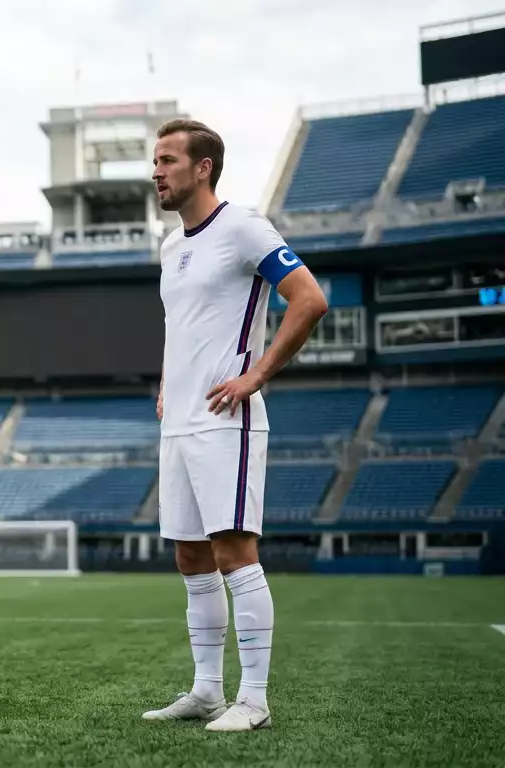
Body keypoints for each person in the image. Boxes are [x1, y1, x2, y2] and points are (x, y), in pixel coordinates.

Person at [144, 119, 328, 732]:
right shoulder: (172, 246)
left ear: (203, 168)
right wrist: (170, 382)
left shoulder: (244, 227)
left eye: (168, 160)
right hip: (180, 424)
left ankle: (253, 699)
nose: (157, 171)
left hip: (228, 421)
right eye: (156, 160)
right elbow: (187, 326)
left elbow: (309, 299)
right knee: (190, 556)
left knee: (234, 553)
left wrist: (257, 375)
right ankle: (205, 692)